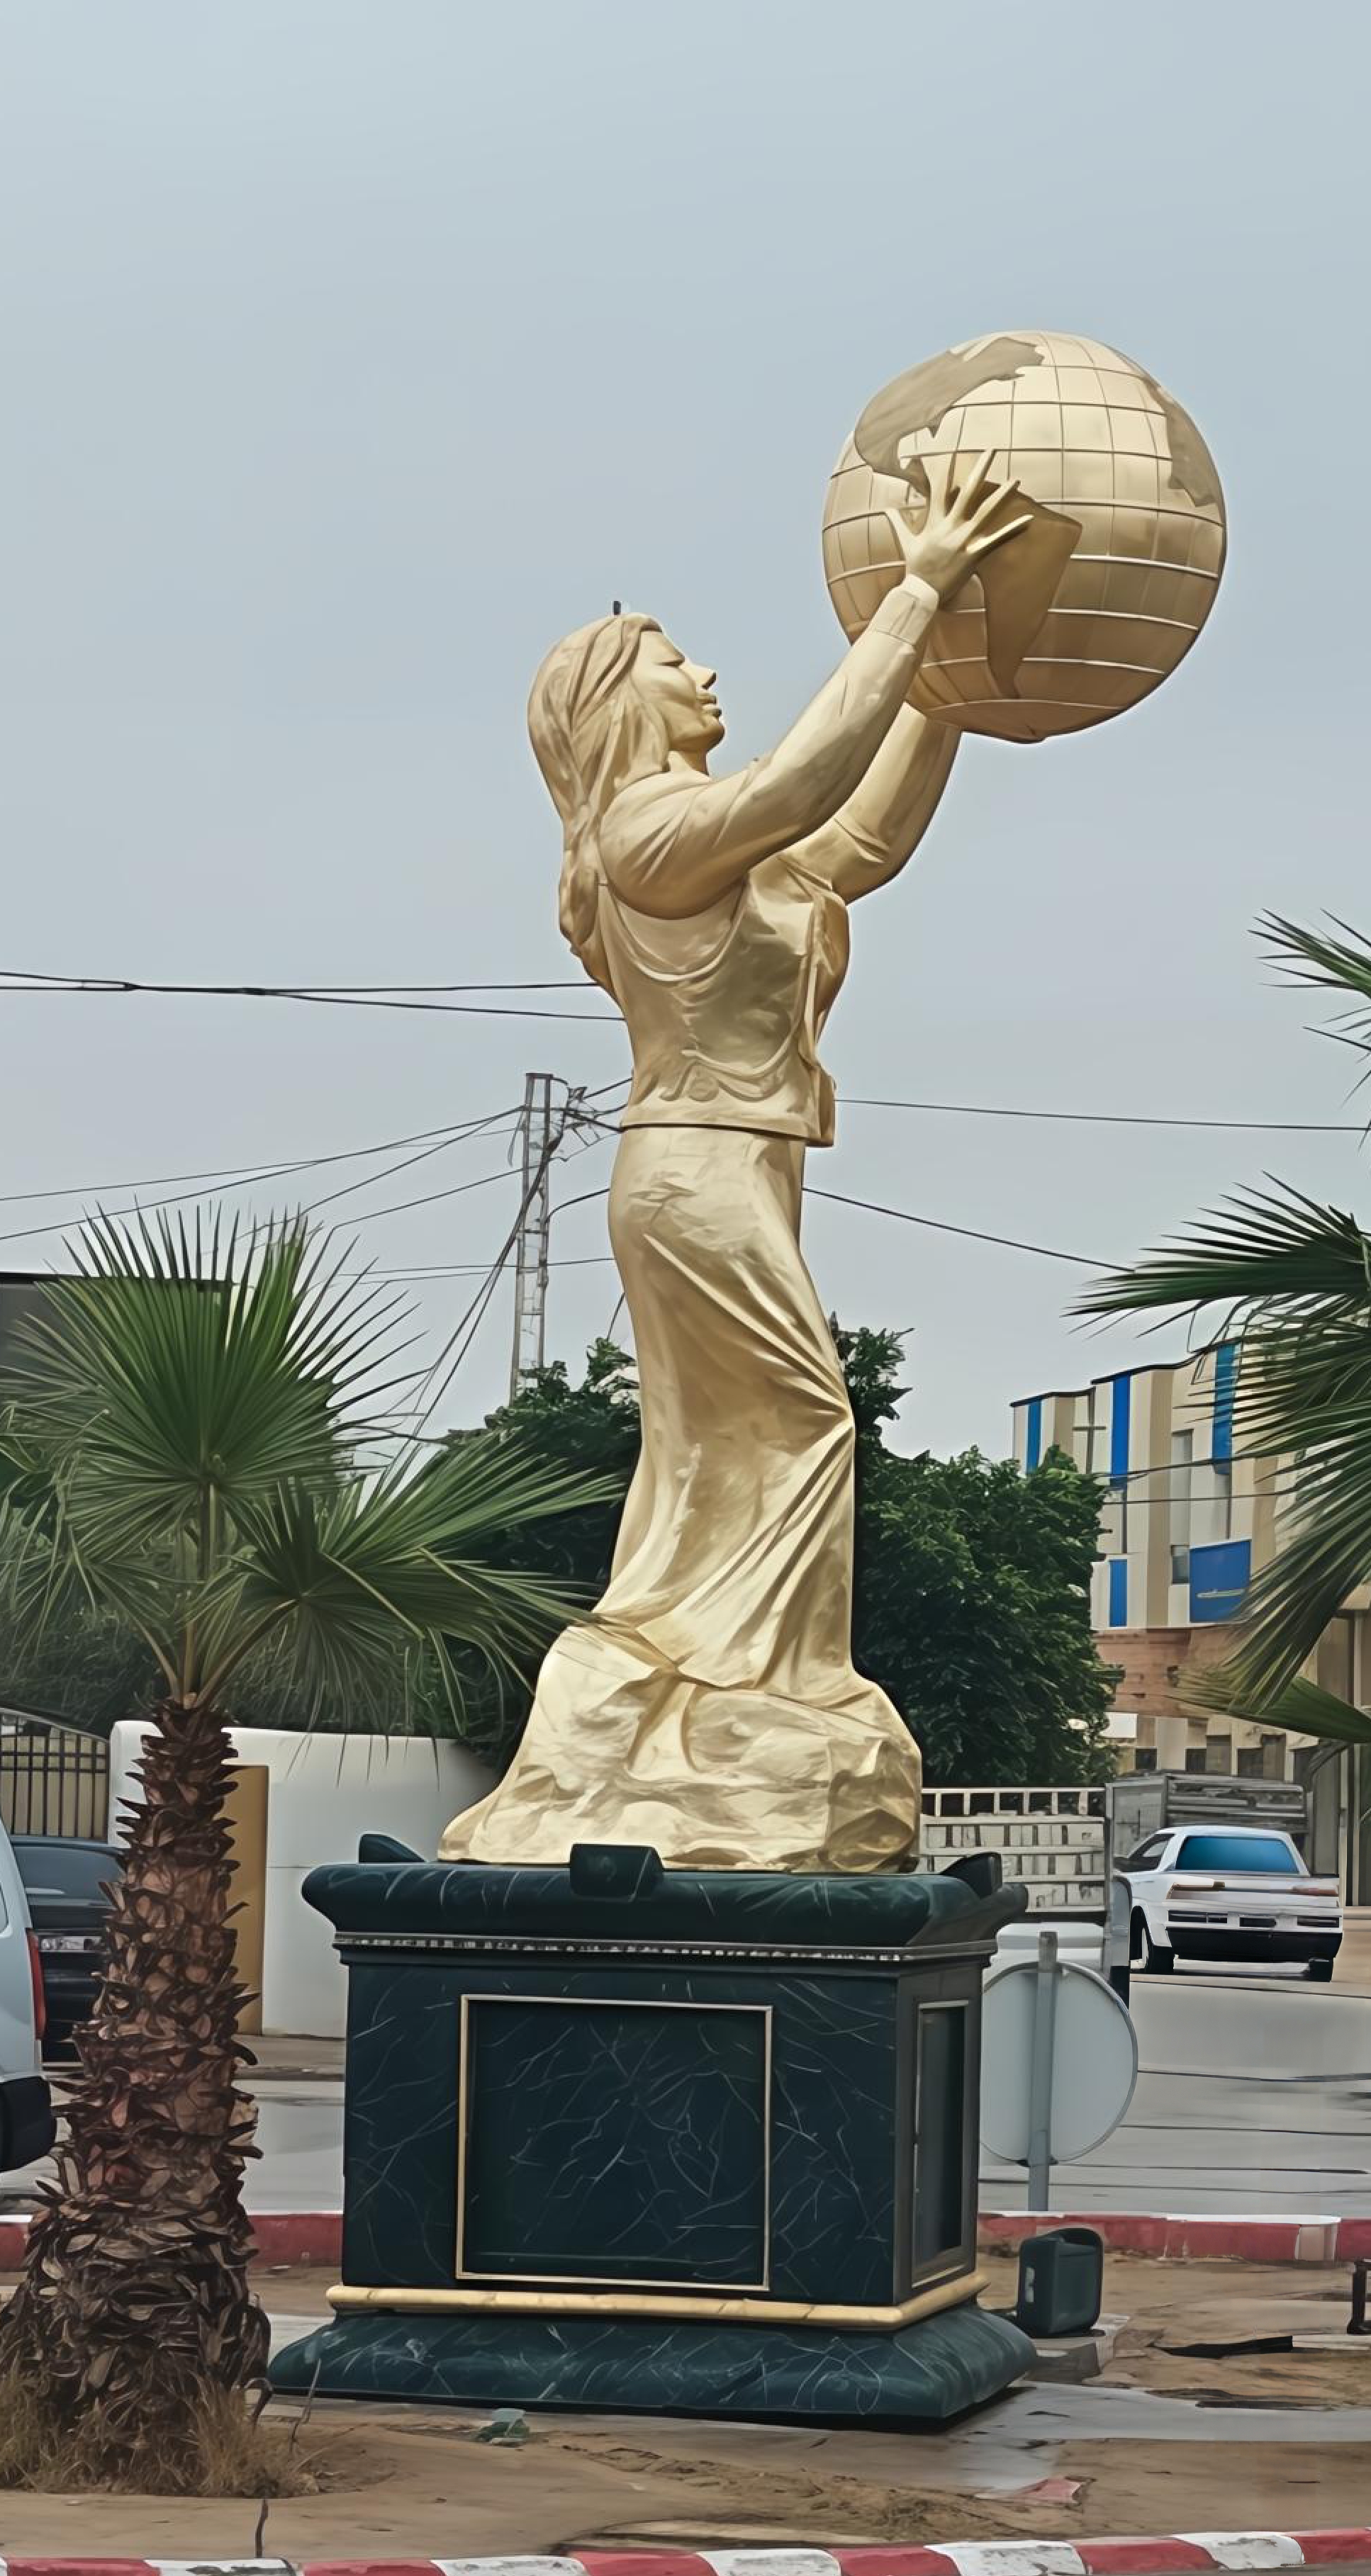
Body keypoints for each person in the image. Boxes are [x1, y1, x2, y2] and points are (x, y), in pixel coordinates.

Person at [442, 455, 1024, 1872]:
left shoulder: (741, 854)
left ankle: (706, 1677)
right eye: (671, 657)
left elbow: (861, 827)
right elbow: (809, 772)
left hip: (748, 1170)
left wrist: (948, 680)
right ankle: (755, 1684)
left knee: (714, 1455)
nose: (704, 670)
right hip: (688, 1171)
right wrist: (914, 593)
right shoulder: (648, 836)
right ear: (615, 708)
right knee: (800, 1422)